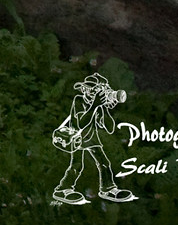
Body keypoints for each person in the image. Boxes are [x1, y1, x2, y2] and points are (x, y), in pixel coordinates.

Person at [51, 72, 136, 204]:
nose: (93, 93)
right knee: (77, 165)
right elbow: (80, 124)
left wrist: (106, 109)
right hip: (77, 137)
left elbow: (109, 128)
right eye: (92, 90)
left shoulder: (98, 105)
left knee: (104, 163)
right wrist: (95, 105)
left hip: (92, 137)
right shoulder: (79, 101)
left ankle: (108, 189)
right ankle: (63, 189)